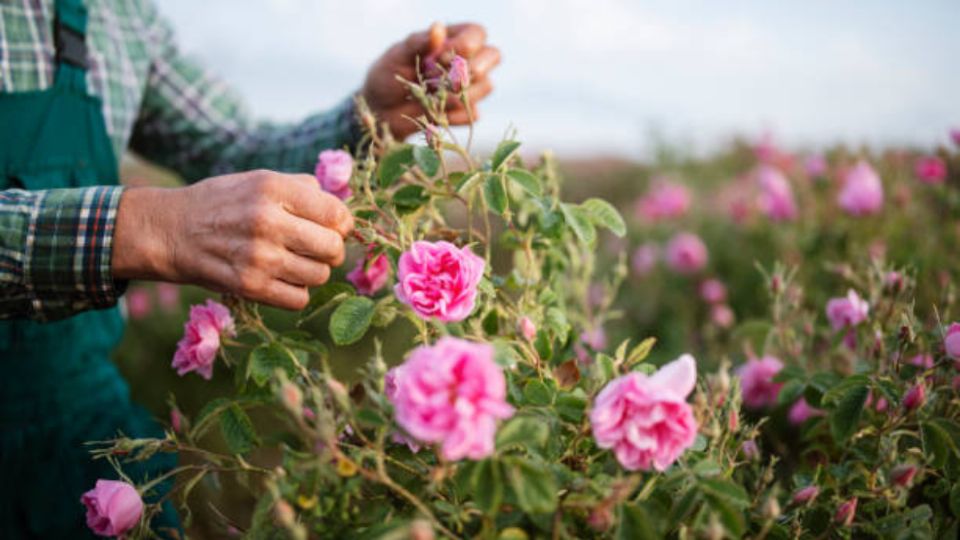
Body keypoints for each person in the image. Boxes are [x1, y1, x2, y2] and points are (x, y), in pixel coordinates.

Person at [0, 0, 500, 536]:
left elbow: (234, 149)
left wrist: (371, 116)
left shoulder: (118, 16)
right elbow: (166, 219)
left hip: (74, 410)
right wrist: (144, 229)